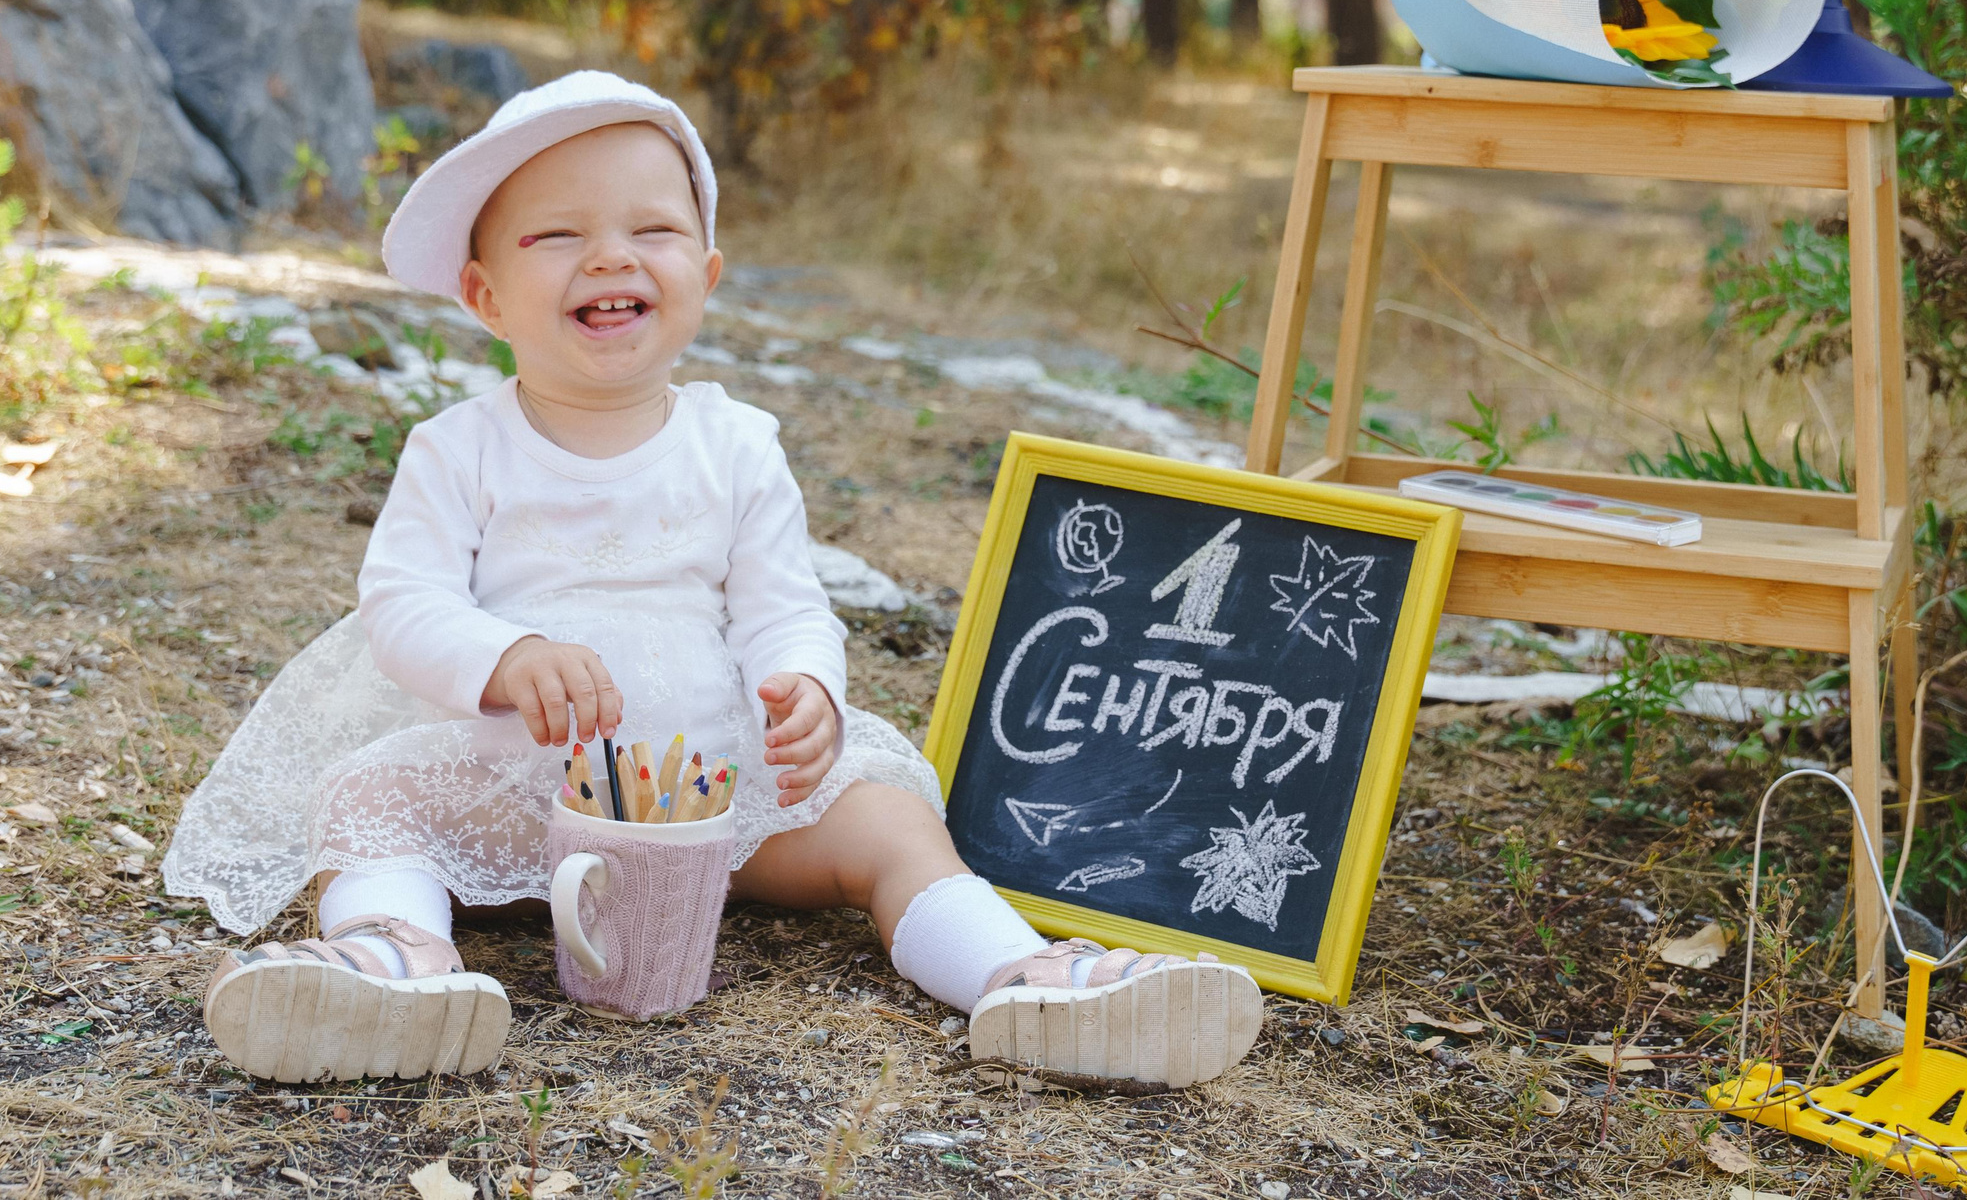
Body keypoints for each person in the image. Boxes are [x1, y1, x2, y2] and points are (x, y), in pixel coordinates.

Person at [163, 73, 1264, 1088]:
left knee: (888, 819)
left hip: (718, 795)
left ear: (708, 275)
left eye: (652, 231)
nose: (610, 258)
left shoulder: (735, 445)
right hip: (515, 790)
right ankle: (394, 962)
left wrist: (806, 688)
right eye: (558, 235)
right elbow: (403, 604)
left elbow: (785, 604)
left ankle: (1020, 978)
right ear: (484, 295)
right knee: (368, 802)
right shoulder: (460, 449)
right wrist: (506, 657)